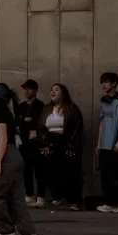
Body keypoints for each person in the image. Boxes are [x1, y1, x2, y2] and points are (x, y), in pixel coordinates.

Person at [0, 83, 36, 235]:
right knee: (16, 196)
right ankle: (27, 230)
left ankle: (5, 228)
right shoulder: (5, 113)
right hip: (14, 155)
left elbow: (3, 139)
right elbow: (1, 138)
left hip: (8, 157)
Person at [40, 82, 84, 210]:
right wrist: (44, 143)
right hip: (51, 142)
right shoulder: (46, 109)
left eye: (56, 90)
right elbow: (40, 128)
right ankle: (58, 195)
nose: (52, 92)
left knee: (72, 173)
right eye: (51, 90)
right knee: (50, 171)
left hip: (67, 142)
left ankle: (75, 201)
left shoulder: (71, 108)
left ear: (63, 94)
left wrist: (71, 145)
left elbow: (77, 127)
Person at [94, 72, 118, 213]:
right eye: (103, 82)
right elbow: (102, 122)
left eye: (107, 82)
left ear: (114, 84)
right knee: (106, 175)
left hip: (116, 145)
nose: (104, 85)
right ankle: (109, 202)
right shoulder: (104, 101)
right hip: (104, 144)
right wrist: (99, 143)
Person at [13, 81, 45, 205]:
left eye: (29, 89)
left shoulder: (40, 105)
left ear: (35, 90)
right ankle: (29, 194)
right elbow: (19, 121)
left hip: (36, 142)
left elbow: (37, 121)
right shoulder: (21, 106)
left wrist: (27, 121)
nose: (26, 92)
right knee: (26, 169)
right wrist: (25, 120)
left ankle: (41, 196)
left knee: (39, 169)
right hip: (24, 141)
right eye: (25, 89)